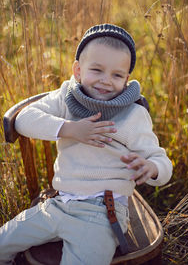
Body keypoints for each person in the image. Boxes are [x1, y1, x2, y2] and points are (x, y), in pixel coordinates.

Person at [0, 23, 172, 265]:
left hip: (103, 212)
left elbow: (161, 160)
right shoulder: (67, 98)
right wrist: (70, 129)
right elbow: (24, 119)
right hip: (58, 204)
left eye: (117, 75)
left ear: (126, 79)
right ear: (78, 70)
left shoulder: (133, 115)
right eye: (97, 70)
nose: (106, 81)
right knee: (3, 242)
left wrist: (151, 167)